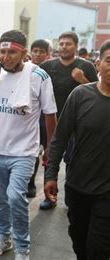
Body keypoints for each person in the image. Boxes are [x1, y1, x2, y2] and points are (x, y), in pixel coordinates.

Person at [0, 30, 57, 260]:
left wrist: (51, 146)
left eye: (12, 52)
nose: (6, 56)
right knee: (0, 199)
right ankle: (4, 238)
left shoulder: (38, 76)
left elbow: (50, 114)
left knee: (14, 197)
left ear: (24, 53)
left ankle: (22, 248)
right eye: (2, 51)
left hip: (24, 152)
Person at [44, 40, 110, 260]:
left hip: (107, 192)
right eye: (109, 61)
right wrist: (50, 174)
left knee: (98, 248)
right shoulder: (81, 95)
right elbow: (60, 137)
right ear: (98, 63)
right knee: (79, 240)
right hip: (77, 185)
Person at [39, 31, 99, 209]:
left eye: (68, 44)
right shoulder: (47, 66)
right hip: (50, 119)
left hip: (78, 121)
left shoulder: (86, 66)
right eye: (62, 43)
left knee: (73, 159)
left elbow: (98, 91)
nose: (64, 47)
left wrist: (82, 80)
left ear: (76, 46)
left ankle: (71, 193)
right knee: (49, 156)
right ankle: (49, 195)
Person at [26, 39, 51, 198]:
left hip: (47, 117)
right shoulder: (24, 69)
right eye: (35, 50)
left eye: (41, 51)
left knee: (49, 151)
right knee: (33, 151)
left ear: (48, 54)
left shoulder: (50, 70)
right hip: (29, 117)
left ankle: (50, 187)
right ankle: (30, 182)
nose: (37, 54)